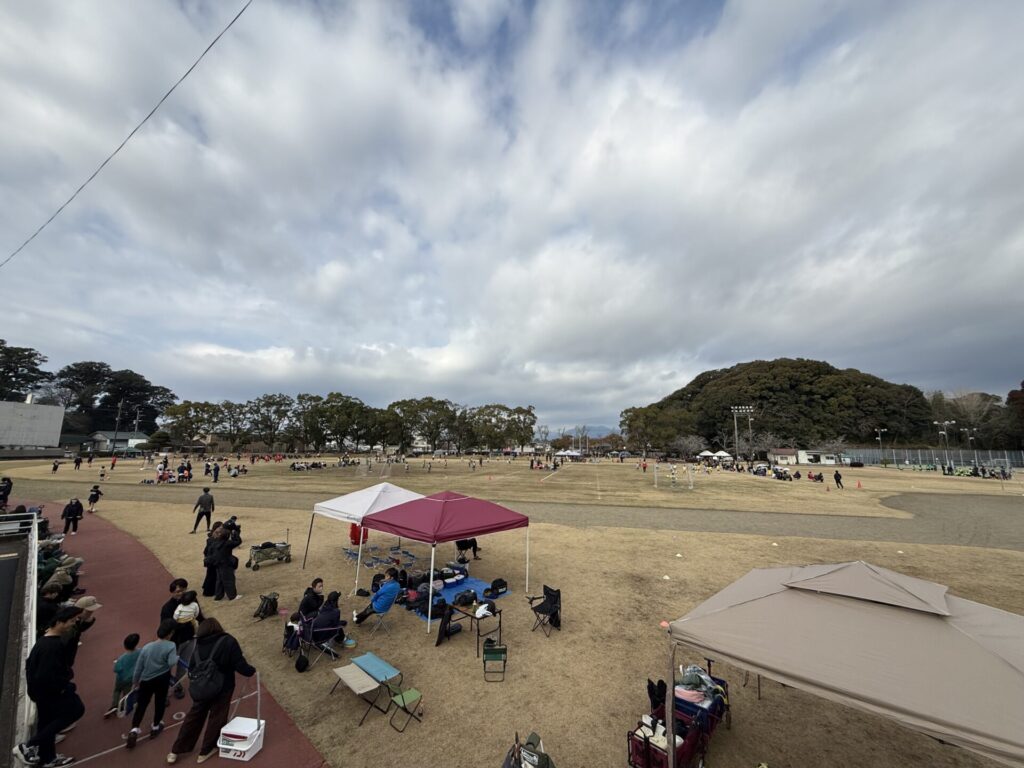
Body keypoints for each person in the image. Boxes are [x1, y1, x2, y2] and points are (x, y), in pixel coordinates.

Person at [167, 618, 255, 764]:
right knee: (217, 717)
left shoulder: (198, 643)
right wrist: (251, 671)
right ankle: (206, 750)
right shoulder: (228, 641)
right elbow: (239, 663)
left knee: (193, 717)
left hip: (201, 687)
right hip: (223, 686)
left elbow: (192, 666)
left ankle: (176, 750)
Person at [15, 606, 86, 767]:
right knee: (76, 709)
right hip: (50, 692)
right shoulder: (51, 648)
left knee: (46, 722)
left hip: (40, 693)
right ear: (60, 622)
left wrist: (76, 635)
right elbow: (45, 675)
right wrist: (63, 687)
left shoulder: (46, 642)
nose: (73, 624)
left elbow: (66, 661)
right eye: (71, 621)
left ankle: (47, 758)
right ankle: (28, 746)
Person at [125, 619, 178, 749]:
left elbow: (139, 667)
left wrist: (135, 682)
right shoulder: (171, 646)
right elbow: (171, 662)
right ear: (170, 633)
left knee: (142, 704)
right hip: (162, 678)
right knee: (160, 701)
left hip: (147, 679)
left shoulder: (147, 647)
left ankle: (134, 729)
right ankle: (155, 726)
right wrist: (177, 657)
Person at [104, 633, 141, 718]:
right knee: (126, 692)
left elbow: (116, 669)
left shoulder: (122, 658)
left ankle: (114, 705)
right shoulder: (140, 652)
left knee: (117, 690)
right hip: (132, 678)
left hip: (121, 678)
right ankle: (123, 705)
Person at [209, 525, 242, 601]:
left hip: (217, 563)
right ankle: (232, 596)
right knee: (229, 579)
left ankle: (218, 596)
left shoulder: (215, 542)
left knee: (219, 580)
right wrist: (236, 534)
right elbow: (238, 542)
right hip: (226, 563)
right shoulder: (227, 543)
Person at [201, 524, 222, 597]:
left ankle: (206, 588)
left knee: (210, 575)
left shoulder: (210, 539)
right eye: (220, 527)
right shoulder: (213, 541)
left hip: (210, 559)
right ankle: (208, 592)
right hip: (212, 560)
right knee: (212, 576)